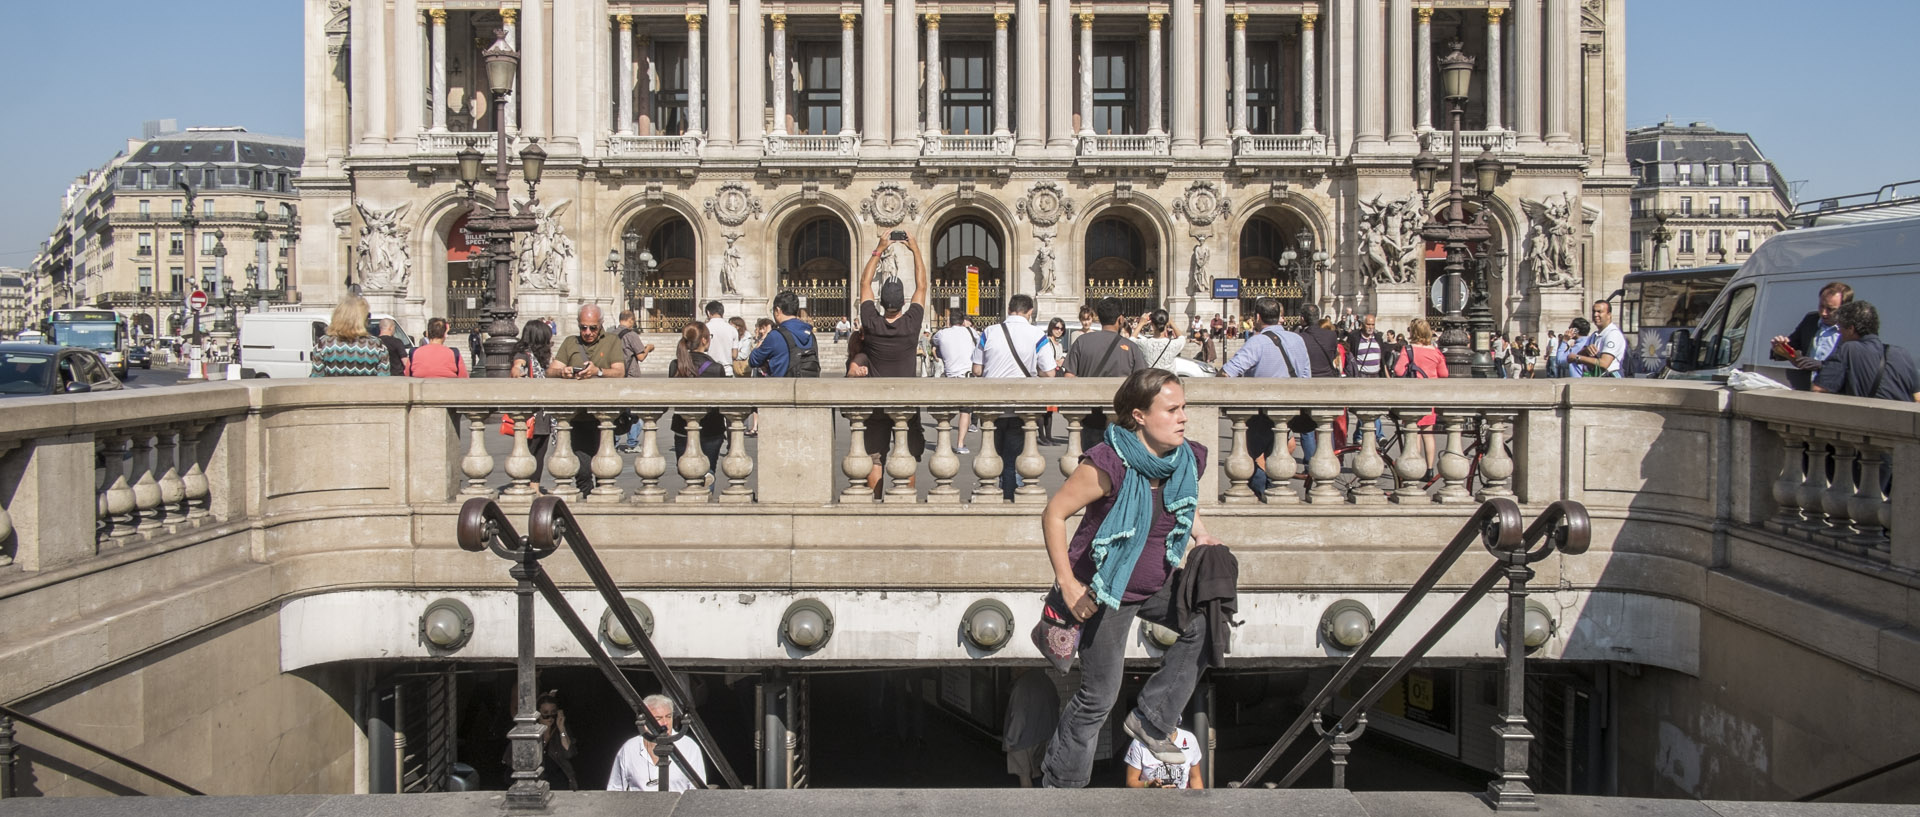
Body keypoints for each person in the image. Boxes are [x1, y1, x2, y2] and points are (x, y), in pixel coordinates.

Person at [1039, 368, 1225, 789]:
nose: (1183, 417)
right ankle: (1060, 788)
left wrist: (1200, 533)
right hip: (1107, 591)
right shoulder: (1106, 465)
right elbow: (1053, 514)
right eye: (1172, 409)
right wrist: (1069, 585)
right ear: (1139, 416)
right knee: (1097, 699)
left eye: (1184, 408)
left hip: (1156, 581)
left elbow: (1184, 501)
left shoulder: (1185, 457)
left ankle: (1151, 718)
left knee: (1206, 623)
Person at [850, 231, 931, 497]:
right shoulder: (911, 324)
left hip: (876, 402)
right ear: (903, 302)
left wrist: (879, 248)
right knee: (905, 455)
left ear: (881, 302)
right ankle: (904, 502)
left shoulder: (871, 322)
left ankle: (876, 501)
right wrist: (915, 249)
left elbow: (864, 283)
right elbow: (922, 286)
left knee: (876, 459)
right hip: (905, 401)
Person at [1221, 297, 1311, 496]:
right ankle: (1276, 491)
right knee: (1277, 452)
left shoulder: (1258, 342)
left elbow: (1228, 373)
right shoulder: (1297, 339)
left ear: (1258, 317)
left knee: (1251, 456)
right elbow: (1306, 376)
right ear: (1280, 317)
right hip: (1290, 410)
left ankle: (1262, 491)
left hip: (1262, 411)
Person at [974, 293, 1056, 499]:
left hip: (991, 406)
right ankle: (1009, 497)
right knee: (1013, 459)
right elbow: (1050, 373)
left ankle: (994, 495)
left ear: (1009, 309)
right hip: (1021, 407)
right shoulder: (1037, 335)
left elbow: (976, 369)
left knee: (992, 457)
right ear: (1030, 312)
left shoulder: (989, 332)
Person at [548, 304, 626, 493]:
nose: (588, 332)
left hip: (603, 415)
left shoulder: (612, 341)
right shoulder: (570, 343)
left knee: (604, 469)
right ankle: (585, 500)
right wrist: (563, 372)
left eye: (593, 327)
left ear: (601, 324)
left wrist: (597, 372)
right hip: (578, 415)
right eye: (583, 327)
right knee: (582, 470)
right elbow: (550, 370)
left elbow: (619, 371)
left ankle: (603, 504)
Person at [1065, 298, 1151, 451]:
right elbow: (1142, 384)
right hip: (1121, 418)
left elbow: (1069, 378)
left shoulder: (1081, 342)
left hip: (1090, 417)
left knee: (1091, 464)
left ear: (1098, 317)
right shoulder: (1131, 348)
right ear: (1120, 319)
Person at [1811, 300, 1920, 402]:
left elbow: (1819, 391)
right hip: (1902, 421)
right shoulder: (1902, 353)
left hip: (1868, 420)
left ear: (1851, 329)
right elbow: (1917, 397)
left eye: (1840, 327)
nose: (1839, 332)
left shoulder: (1848, 349)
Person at [668, 323, 729, 491]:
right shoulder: (716, 369)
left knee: (687, 472)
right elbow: (723, 403)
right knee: (708, 471)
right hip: (711, 429)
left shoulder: (676, 366)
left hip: (682, 427)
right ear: (704, 340)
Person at [608, 694, 707, 792]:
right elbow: (615, 790)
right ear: (644, 720)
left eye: (668, 717)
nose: (665, 723)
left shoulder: (689, 746)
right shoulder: (629, 748)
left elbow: (698, 793)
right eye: (658, 718)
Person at [1771, 281, 1854, 391]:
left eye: (1830, 309)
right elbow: (1792, 347)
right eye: (1821, 306)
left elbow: (1853, 367)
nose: (1823, 313)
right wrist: (1779, 347)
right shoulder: (1811, 320)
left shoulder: (1851, 330)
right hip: (1806, 388)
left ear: (1844, 309)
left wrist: (1821, 366)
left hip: (1835, 391)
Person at [1394, 318, 1449, 481]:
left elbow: (1398, 371)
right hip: (1429, 397)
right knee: (1428, 433)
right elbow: (1444, 374)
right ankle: (1430, 469)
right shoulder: (1435, 351)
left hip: (1412, 396)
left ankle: (1414, 468)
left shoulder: (1408, 350)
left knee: (1414, 433)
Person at [509, 319, 555, 492]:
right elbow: (517, 367)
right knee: (530, 450)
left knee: (540, 452)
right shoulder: (523, 355)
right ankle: (525, 485)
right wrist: (518, 371)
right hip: (533, 415)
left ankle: (534, 487)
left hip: (542, 414)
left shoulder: (540, 359)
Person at [1003, 668, 1059, 788]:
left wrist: (1010, 741)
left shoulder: (1021, 686)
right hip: (1044, 736)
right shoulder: (1045, 679)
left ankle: (1029, 805)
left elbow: (1018, 716)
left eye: (1013, 669)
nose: (1012, 671)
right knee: (1036, 770)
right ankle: (1041, 798)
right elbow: (1056, 702)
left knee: (1024, 775)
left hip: (1023, 741)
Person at [310, 295, 392, 377]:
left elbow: (316, 378)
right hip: (365, 389)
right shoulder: (376, 345)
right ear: (362, 319)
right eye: (368, 316)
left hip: (334, 389)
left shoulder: (324, 344)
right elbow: (384, 379)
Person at [933, 311, 979, 453]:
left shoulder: (942, 333)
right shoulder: (971, 332)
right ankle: (960, 444)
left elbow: (934, 342)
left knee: (944, 412)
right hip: (967, 377)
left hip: (949, 378)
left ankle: (943, 443)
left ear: (949, 321)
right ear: (963, 322)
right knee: (965, 412)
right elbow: (980, 343)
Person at [748, 291, 820, 377]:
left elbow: (753, 360)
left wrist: (765, 335)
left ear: (777, 310)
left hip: (784, 387)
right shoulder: (810, 335)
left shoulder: (775, 336)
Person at [1123, 716, 1205, 789]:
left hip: (1180, 801)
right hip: (1149, 801)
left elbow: (1195, 778)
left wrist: (1199, 803)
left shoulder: (1189, 739)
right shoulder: (1139, 742)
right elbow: (1131, 782)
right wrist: (1148, 785)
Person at [1568, 300, 1627, 378]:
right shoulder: (1594, 335)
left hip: (1609, 378)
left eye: (1599, 312)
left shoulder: (1613, 334)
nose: (1595, 315)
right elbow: (1576, 356)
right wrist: (1585, 351)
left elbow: (1604, 364)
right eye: (1594, 311)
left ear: (1609, 315)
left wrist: (1577, 358)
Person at [535, 691, 580, 791]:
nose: (550, 718)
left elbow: (569, 753)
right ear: (538, 715)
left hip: (559, 782)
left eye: (553, 713)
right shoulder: (532, 731)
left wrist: (562, 729)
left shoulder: (559, 730)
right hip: (538, 783)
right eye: (545, 714)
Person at [703, 301, 739, 378]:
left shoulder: (704, 328)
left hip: (708, 369)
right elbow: (734, 355)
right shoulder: (732, 329)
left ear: (708, 313)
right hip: (726, 370)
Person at [1344, 314, 1386, 378]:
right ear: (1363, 324)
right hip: (1361, 375)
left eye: (1373, 324)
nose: (1371, 327)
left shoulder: (1378, 338)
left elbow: (1383, 359)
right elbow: (1348, 355)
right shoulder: (1354, 337)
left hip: (1377, 375)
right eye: (1368, 324)